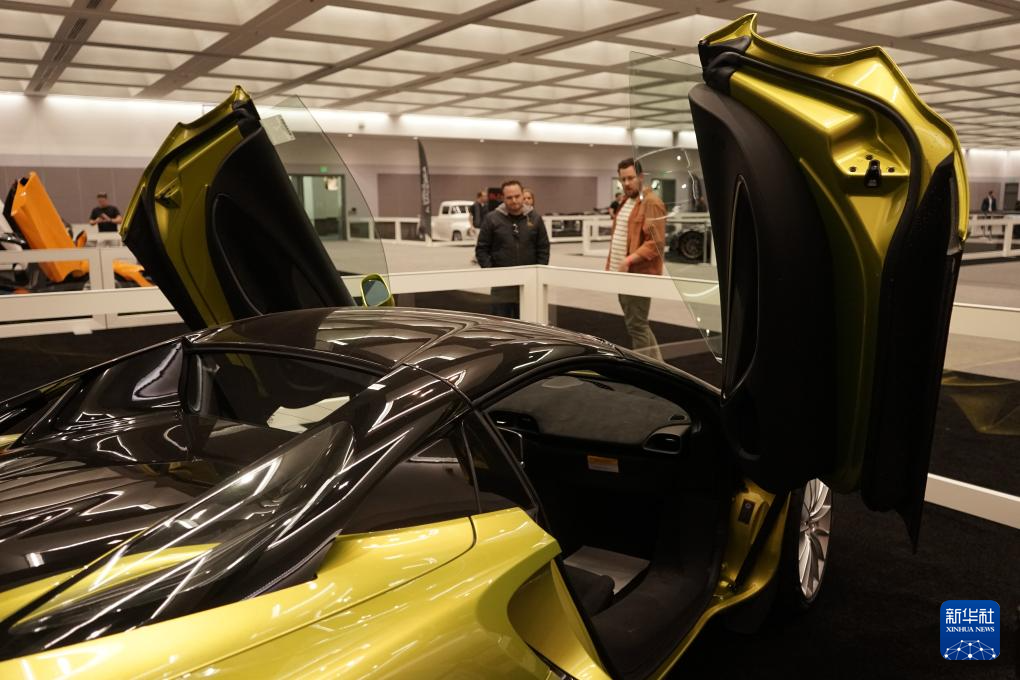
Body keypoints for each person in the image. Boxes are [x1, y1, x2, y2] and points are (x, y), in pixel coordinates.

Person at [606, 158, 666, 361]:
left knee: (637, 326)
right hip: (622, 274)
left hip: (637, 274)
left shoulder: (651, 203)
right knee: (638, 325)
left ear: (641, 177)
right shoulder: (626, 201)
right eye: (623, 179)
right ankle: (658, 366)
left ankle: (645, 370)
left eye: (631, 178)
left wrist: (629, 260)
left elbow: (655, 243)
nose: (627, 183)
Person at [475, 179, 550, 318]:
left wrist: (539, 273)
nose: (514, 200)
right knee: (500, 324)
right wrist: (491, 272)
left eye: (517, 196)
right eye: (509, 197)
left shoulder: (535, 218)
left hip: (529, 284)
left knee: (528, 324)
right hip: (501, 286)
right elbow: (481, 249)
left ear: (522, 195)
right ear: (503, 198)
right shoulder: (492, 219)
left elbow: (543, 248)